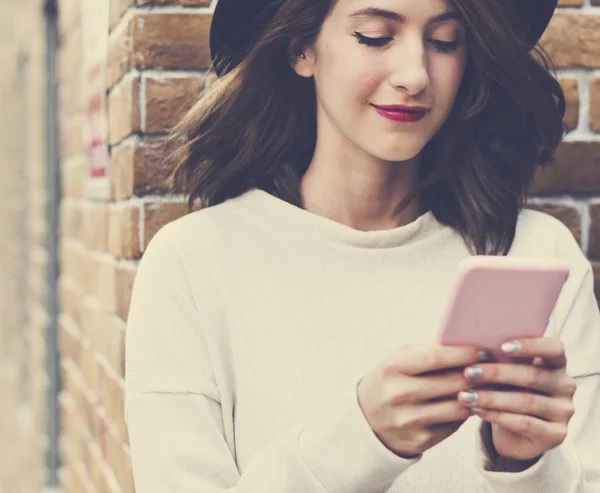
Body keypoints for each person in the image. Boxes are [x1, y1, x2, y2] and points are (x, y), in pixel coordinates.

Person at [124, 0, 600, 491]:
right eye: (375, 36)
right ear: (301, 49)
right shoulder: (192, 264)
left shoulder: (538, 255)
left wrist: (524, 466)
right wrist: (360, 441)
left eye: (445, 42)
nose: (415, 74)